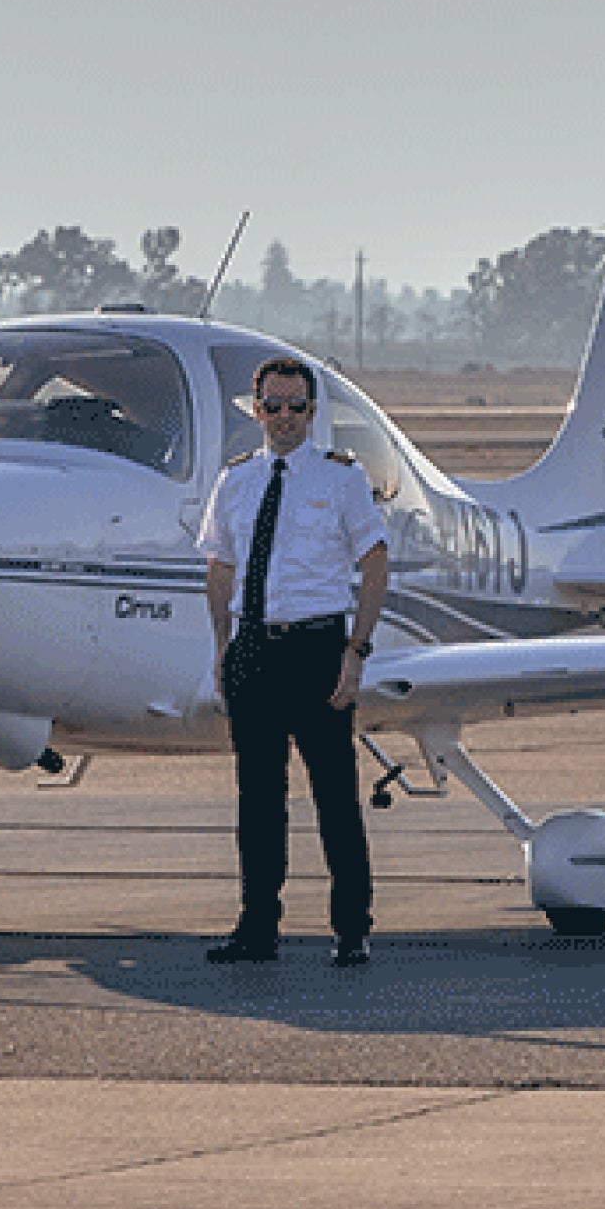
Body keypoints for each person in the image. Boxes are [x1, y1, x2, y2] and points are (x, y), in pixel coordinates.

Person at [196, 355, 388, 967]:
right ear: (256, 412)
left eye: (297, 408)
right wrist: (224, 647)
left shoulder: (341, 479)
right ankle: (257, 929)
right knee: (258, 798)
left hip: (318, 648)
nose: (284, 419)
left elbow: (375, 563)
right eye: (273, 407)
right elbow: (220, 567)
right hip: (254, 648)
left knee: (334, 794)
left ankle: (352, 929)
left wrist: (355, 652)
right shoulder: (236, 481)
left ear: (313, 413)